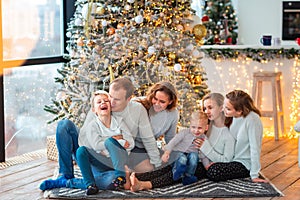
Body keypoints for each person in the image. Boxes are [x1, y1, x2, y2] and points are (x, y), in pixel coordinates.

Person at [39, 77, 161, 191]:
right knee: (64, 125)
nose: (111, 102)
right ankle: (65, 175)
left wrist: (159, 166)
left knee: (116, 180)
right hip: (92, 154)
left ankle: (82, 182)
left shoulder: (137, 110)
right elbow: (84, 140)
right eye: (110, 96)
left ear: (128, 99)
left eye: (117, 99)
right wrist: (109, 140)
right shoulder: (101, 105)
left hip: (113, 161)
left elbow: (148, 139)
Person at [129, 92, 236, 191]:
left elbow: (226, 159)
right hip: (194, 156)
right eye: (204, 108)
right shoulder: (204, 126)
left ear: (221, 108)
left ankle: (145, 184)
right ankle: (133, 177)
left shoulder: (227, 132)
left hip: (204, 164)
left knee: (182, 168)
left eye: (210, 107)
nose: (206, 111)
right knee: (171, 162)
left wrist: (205, 149)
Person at [76, 90, 134, 194]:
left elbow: (130, 142)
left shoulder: (119, 121)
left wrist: (110, 142)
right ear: (94, 110)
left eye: (106, 101)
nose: (103, 103)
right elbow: (96, 146)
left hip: (121, 158)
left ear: (110, 106)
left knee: (110, 142)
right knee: (81, 150)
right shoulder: (92, 126)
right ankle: (90, 185)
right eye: (99, 102)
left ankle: (120, 176)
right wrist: (118, 139)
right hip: (102, 161)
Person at [213, 89, 268, 183]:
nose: (223, 110)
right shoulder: (231, 117)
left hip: (243, 163)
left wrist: (254, 174)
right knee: (198, 167)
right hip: (228, 159)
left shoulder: (252, 119)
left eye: (228, 109)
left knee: (214, 172)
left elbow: (255, 148)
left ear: (239, 111)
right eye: (224, 106)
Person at [135, 81, 179, 166]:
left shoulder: (173, 113)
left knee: (176, 159)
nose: (157, 104)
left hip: (150, 148)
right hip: (133, 146)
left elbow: (170, 137)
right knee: (151, 167)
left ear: (170, 102)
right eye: (155, 99)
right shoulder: (138, 104)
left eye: (162, 102)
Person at [161, 110, 210, 185]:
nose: (196, 130)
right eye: (193, 127)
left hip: (190, 154)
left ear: (206, 127)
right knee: (183, 159)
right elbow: (173, 142)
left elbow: (203, 154)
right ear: (190, 125)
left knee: (194, 157)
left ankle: (188, 176)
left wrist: (207, 166)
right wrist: (167, 152)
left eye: (200, 128)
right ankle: (176, 171)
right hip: (177, 152)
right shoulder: (184, 133)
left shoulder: (204, 139)